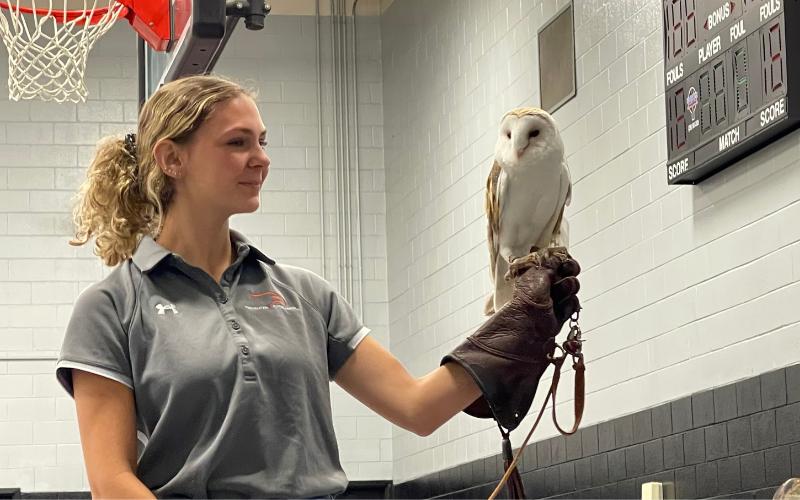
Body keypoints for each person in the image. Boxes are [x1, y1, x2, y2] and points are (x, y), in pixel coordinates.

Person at [56, 75, 581, 498]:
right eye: (236, 143)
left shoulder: (306, 294)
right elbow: (112, 483)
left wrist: (516, 333)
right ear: (172, 159)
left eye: (261, 141)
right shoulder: (111, 307)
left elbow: (417, 407)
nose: (260, 157)